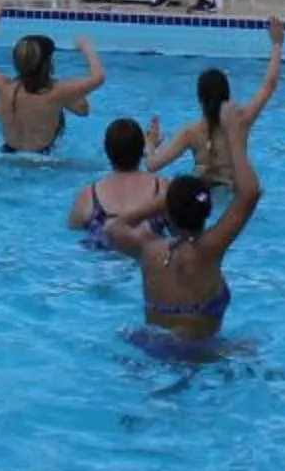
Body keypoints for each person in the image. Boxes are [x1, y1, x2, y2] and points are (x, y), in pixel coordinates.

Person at [103, 149, 264, 351]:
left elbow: (112, 227)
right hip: (195, 354)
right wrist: (235, 135)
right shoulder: (207, 250)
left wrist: (160, 202)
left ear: (168, 213)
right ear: (208, 211)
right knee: (250, 348)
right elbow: (250, 192)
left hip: (150, 348)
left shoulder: (149, 250)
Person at [145, 18, 285, 197]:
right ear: (227, 96)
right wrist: (277, 44)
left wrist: (151, 144)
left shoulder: (190, 133)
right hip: (234, 197)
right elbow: (269, 84)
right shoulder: (241, 122)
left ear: (199, 99)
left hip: (201, 197)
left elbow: (151, 166)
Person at [0, 3, 105, 153]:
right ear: (47, 63)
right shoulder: (58, 92)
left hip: (6, 154)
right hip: (43, 160)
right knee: (79, 105)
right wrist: (87, 49)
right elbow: (98, 77)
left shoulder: (3, 87)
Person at [68, 117, 167, 249]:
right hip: (147, 260)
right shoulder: (162, 188)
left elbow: (72, 230)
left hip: (99, 264)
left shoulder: (88, 196)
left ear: (106, 150)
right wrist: (150, 150)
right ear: (141, 149)